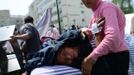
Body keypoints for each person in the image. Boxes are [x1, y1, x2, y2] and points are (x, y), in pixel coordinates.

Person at [81, 0, 129, 75]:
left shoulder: (106, 7)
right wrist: (85, 31)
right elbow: (93, 35)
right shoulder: (96, 12)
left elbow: (112, 37)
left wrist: (91, 59)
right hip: (108, 55)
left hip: (116, 55)